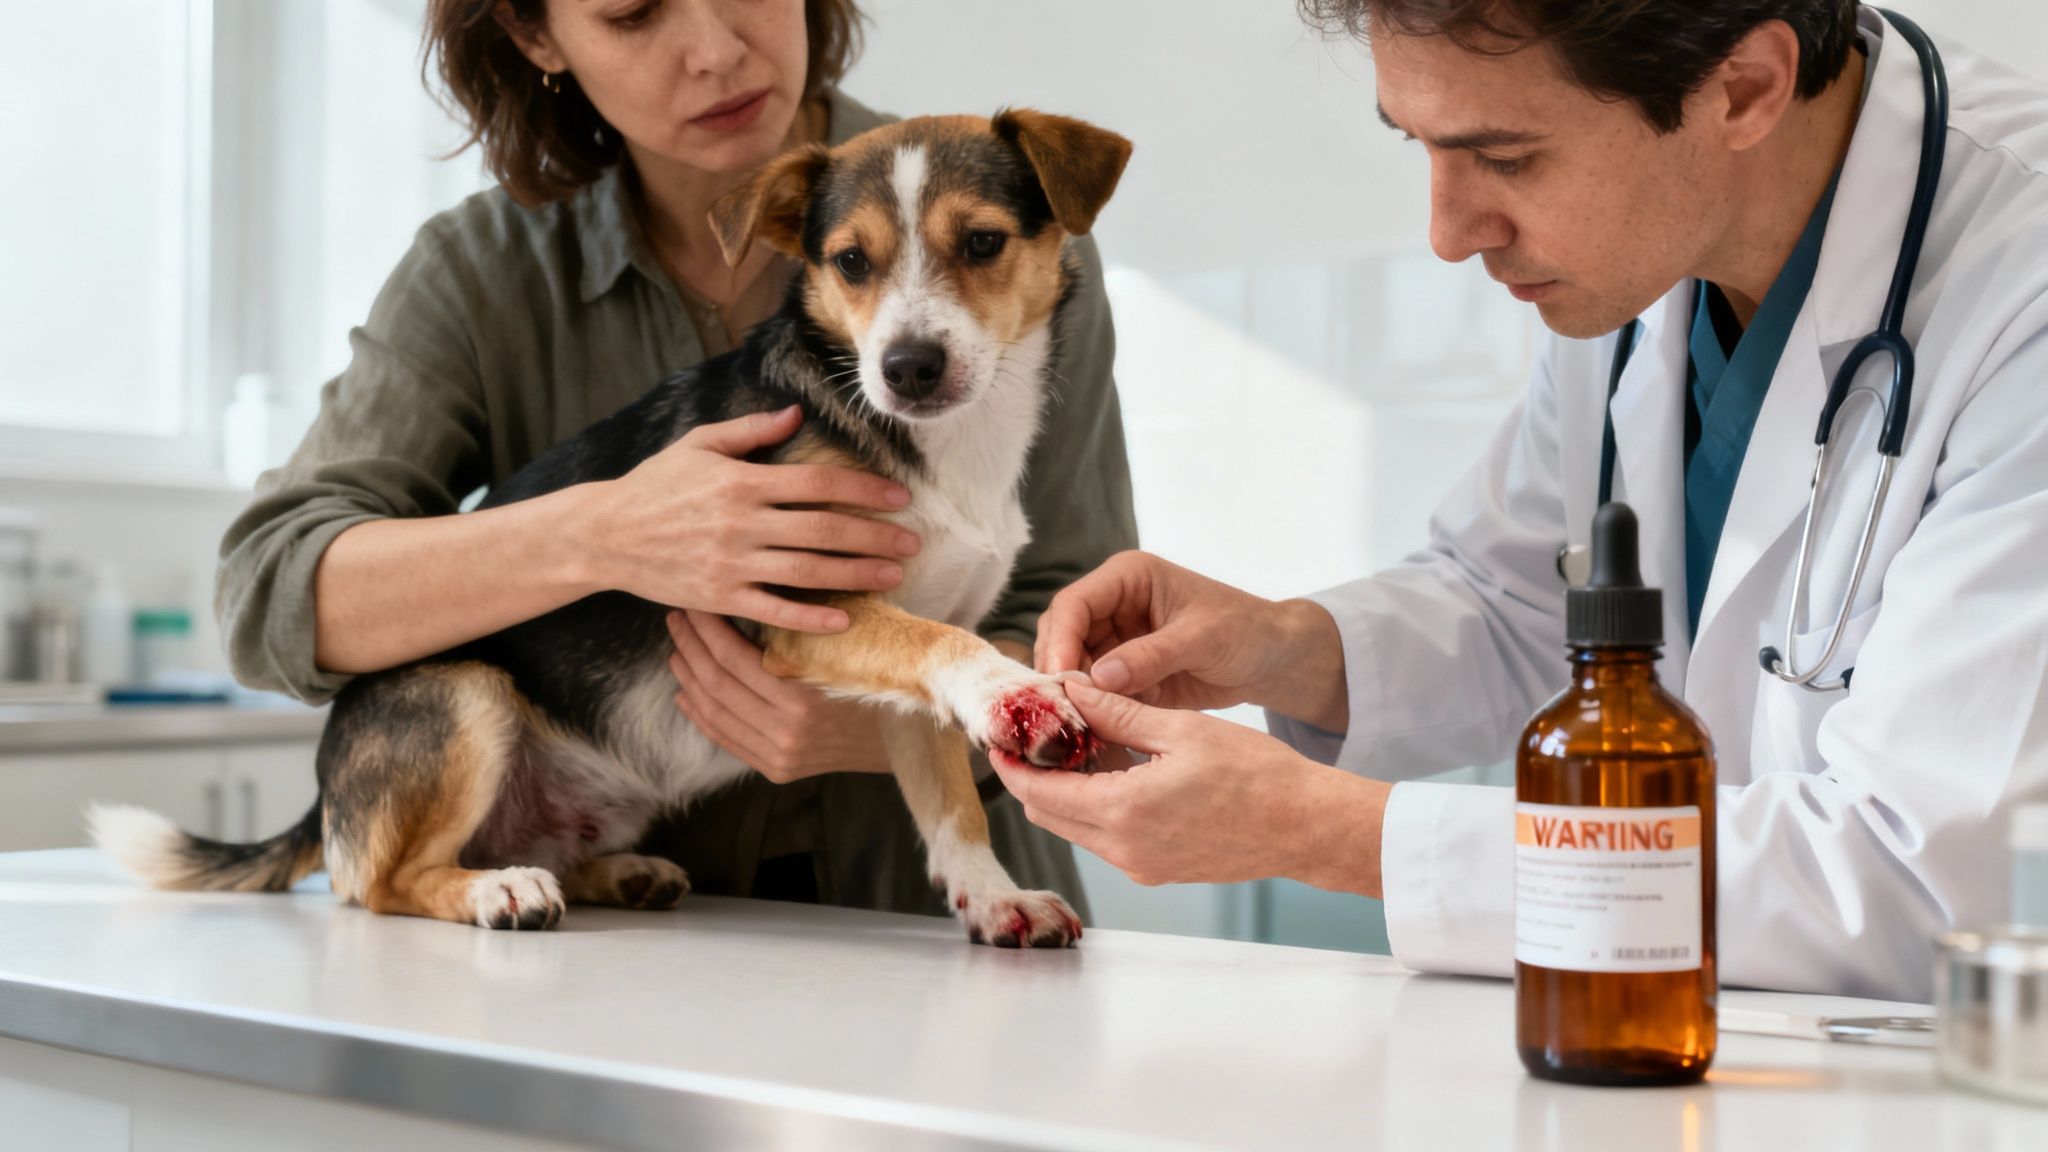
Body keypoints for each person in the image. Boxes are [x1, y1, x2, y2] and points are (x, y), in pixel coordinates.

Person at [992, 0, 2048, 1002]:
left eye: (1502, 157)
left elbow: (1919, 883)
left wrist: (1323, 832)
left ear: (1742, 87)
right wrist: (1281, 646)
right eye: (1422, 146)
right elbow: (1526, 605)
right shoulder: (1648, 258)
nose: (1448, 232)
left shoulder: (2021, 283)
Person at [216, 0, 1137, 917]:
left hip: (916, 914)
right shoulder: (479, 271)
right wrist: (604, 533)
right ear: (538, 35)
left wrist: (876, 718)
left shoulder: (1026, 238)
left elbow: (1092, 636)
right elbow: (267, 592)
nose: (715, 49)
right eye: (632, 12)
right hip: (629, 942)